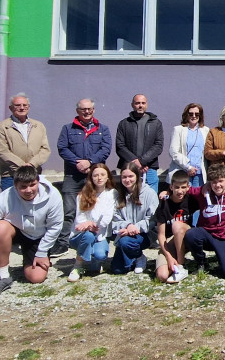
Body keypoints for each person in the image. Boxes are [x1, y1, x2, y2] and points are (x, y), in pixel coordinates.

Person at [0, 165, 63, 299]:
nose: (29, 190)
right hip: (16, 230)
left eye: (32, 185)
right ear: (15, 186)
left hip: (38, 236)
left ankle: (30, 261)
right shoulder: (4, 198)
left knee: (36, 277)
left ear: (38, 181)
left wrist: (42, 252)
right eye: (23, 187)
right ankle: (2, 277)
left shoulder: (53, 195)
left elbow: (55, 227)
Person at [55, 98, 112, 257]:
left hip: (94, 176)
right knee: (69, 211)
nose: (87, 112)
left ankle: (95, 238)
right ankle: (63, 243)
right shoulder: (67, 129)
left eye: (89, 109)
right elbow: (62, 148)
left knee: (95, 207)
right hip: (73, 175)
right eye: (83, 109)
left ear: (93, 110)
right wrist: (77, 163)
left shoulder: (103, 129)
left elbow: (106, 149)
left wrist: (90, 162)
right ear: (77, 111)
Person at [183, 163, 225, 279]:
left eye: (220, 181)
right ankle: (201, 261)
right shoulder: (203, 192)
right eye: (214, 182)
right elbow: (185, 189)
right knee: (191, 234)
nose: (217, 185)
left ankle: (224, 258)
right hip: (207, 234)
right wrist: (167, 192)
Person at [67, 163, 117, 282]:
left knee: (100, 256)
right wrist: (89, 225)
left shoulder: (112, 193)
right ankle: (78, 265)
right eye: (95, 175)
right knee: (89, 236)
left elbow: (106, 218)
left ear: (107, 177)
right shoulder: (82, 195)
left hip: (100, 235)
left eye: (102, 175)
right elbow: (80, 220)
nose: (99, 178)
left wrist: (90, 224)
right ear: (91, 178)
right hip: (81, 236)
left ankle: (91, 260)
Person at [0, 93, 50, 190]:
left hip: (34, 174)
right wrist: (22, 166)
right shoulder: (2, 127)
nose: (22, 108)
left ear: (29, 107)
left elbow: (45, 149)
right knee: (11, 204)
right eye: (18, 105)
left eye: (25, 105)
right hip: (11, 176)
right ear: (11, 108)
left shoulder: (38, 126)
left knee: (33, 204)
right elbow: (1, 151)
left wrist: (32, 164)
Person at [110, 162, 158, 274]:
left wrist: (135, 228)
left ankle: (139, 256)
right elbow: (115, 218)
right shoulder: (118, 195)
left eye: (131, 176)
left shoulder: (149, 193)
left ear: (137, 176)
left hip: (144, 233)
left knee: (125, 242)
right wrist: (127, 226)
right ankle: (137, 257)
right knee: (117, 270)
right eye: (124, 177)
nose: (127, 180)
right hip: (125, 233)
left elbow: (151, 219)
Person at [153, 171, 199, 283]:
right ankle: (176, 260)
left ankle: (181, 266)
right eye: (177, 187)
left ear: (188, 187)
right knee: (162, 276)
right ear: (171, 187)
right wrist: (168, 256)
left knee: (177, 225)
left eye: (183, 187)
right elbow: (161, 235)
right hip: (170, 241)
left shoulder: (191, 200)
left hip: (187, 236)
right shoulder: (164, 204)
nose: (180, 191)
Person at [116, 94, 164, 193]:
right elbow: (120, 146)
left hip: (149, 167)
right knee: (128, 197)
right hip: (129, 168)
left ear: (146, 105)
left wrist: (142, 161)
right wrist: (135, 162)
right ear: (132, 105)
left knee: (151, 198)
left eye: (143, 103)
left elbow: (158, 145)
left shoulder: (156, 123)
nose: (140, 105)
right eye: (137, 103)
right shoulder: (124, 123)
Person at [168, 103, 210, 188]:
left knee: (197, 199)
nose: (194, 116)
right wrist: (188, 167)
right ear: (186, 115)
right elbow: (173, 152)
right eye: (191, 114)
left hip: (200, 174)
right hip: (183, 172)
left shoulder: (205, 130)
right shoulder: (178, 130)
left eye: (197, 114)